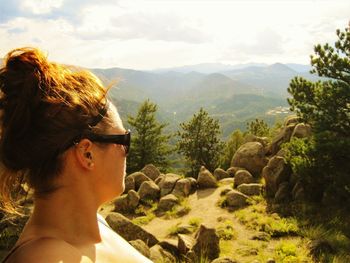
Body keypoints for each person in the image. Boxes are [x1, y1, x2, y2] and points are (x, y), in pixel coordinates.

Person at [0, 47, 152, 262]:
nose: (127, 152)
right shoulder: (46, 258)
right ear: (86, 153)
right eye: (123, 140)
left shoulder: (96, 226)